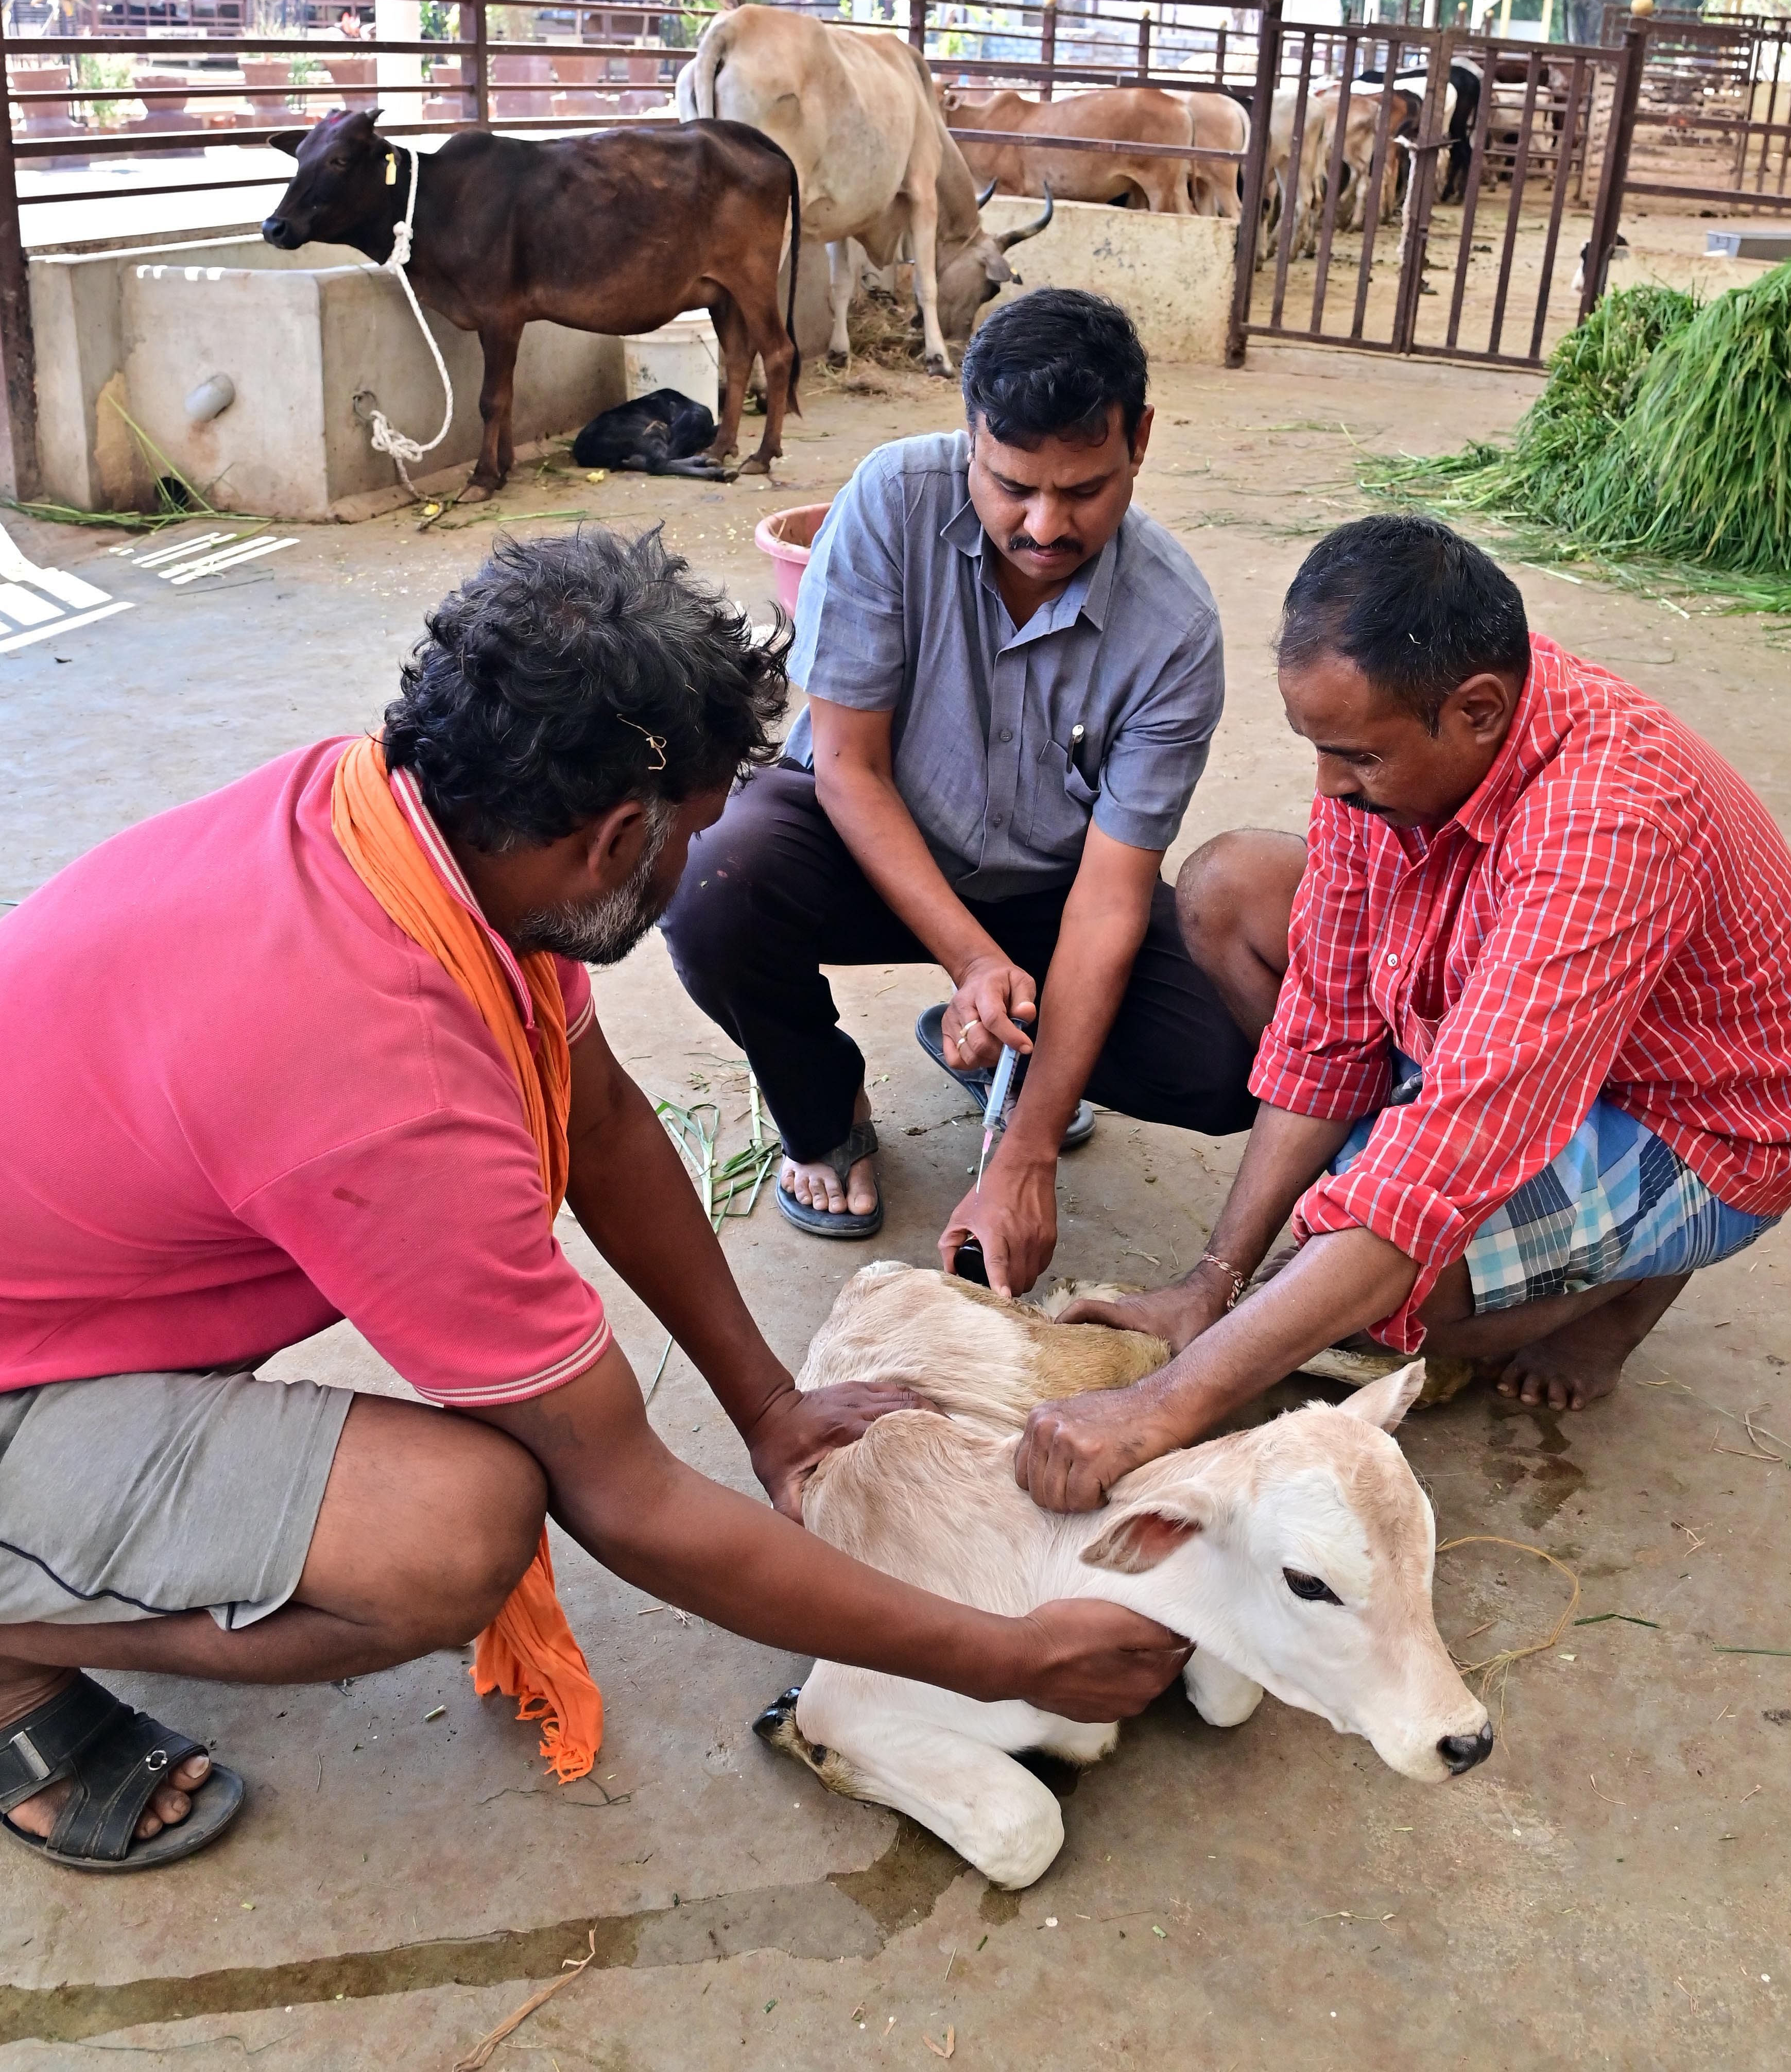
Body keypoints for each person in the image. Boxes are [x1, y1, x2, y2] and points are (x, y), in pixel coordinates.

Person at [0, 531, 1189, 1874]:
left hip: (62, 1293)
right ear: (616, 836)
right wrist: (1004, 1655)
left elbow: (603, 1119)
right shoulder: (390, 1083)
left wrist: (767, 1406)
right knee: (454, 1534)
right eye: (692, 831)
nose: (699, 859)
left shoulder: (412, 835)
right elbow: (622, 1497)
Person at [1013, 515, 1791, 1512]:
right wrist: (1212, 1281)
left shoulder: (1606, 826)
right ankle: (1414, 1264)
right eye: (1322, 751)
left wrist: (1162, 1406)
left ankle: (1627, 1288)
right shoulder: (1416, 730)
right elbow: (1326, 1026)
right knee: (1231, 888)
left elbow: (1446, 1161)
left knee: (1388, 1307)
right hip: (1513, 1028)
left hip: (1695, 1119)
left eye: (1358, 760)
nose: (1329, 788)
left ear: (1480, 711)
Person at [663, 287, 1256, 1290]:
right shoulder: (891, 500)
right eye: (1012, 483)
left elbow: (1111, 897)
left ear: (1141, 441)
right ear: (970, 434)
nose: (1044, 525)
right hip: (860, 841)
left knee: (1222, 1066)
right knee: (716, 876)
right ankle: (824, 1108)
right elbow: (847, 766)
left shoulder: (1176, 626)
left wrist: (1024, 1155)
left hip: (1051, 895)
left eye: (1085, 491)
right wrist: (974, 958)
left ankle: (997, 1052)